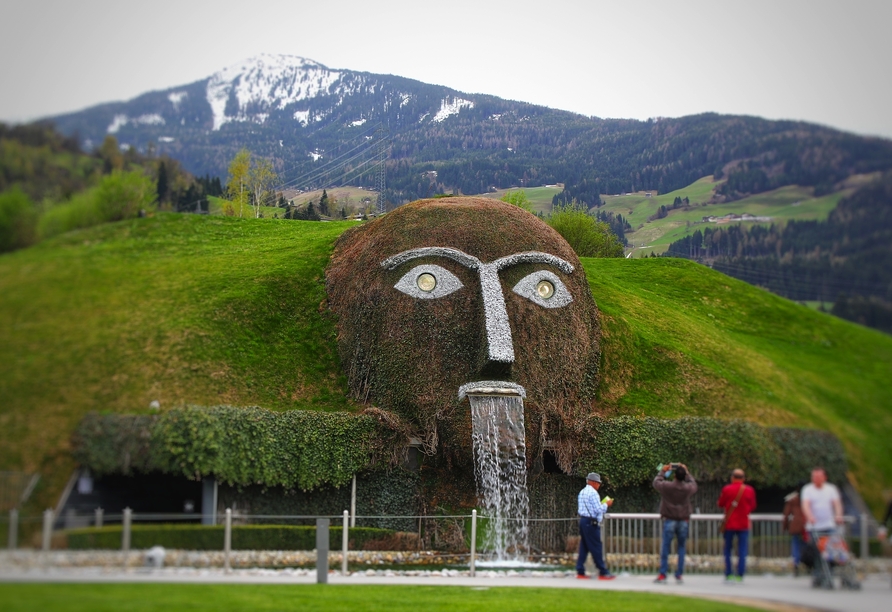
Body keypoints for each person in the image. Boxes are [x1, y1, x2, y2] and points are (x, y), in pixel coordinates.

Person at [653, 462, 697, 584]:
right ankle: (679, 574)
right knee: (681, 547)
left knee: (666, 547)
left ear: (674, 476)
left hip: (670, 519)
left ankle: (663, 574)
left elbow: (656, 482)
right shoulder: (687, 488)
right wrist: (687, 473)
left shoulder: (668, 487)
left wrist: (662, 471)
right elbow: (694, 484)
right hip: (683, 520)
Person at [717, 468, 757, 583]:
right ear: (744, 479)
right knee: (742, 550)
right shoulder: (749, 490)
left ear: (732, 478)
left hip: (730, 524)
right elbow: (753, 506)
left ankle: (729, 573)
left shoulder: (727, 489)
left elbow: (720, 503)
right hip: (744, 524)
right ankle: (740, 574)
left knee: (727, 549)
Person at [576, 472, 616, 580]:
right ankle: (603, 572)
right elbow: (598, 509)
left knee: (584, 547)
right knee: (596, 547)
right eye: (598, 483)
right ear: (593, 482)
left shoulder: (582, 492)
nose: (599, 485)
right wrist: (606, 504)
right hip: (591, 522)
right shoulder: (593, 493)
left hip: (583, 521)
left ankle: (580, 571)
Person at [782, 482, 807, 576]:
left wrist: (784, 527)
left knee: (795, 545)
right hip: (807, 524)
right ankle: (808, 564)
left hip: (796, 525)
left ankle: (796, 564)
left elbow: (786, 514)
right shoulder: (810, 497)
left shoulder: (792, 499)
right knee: (807, 545)